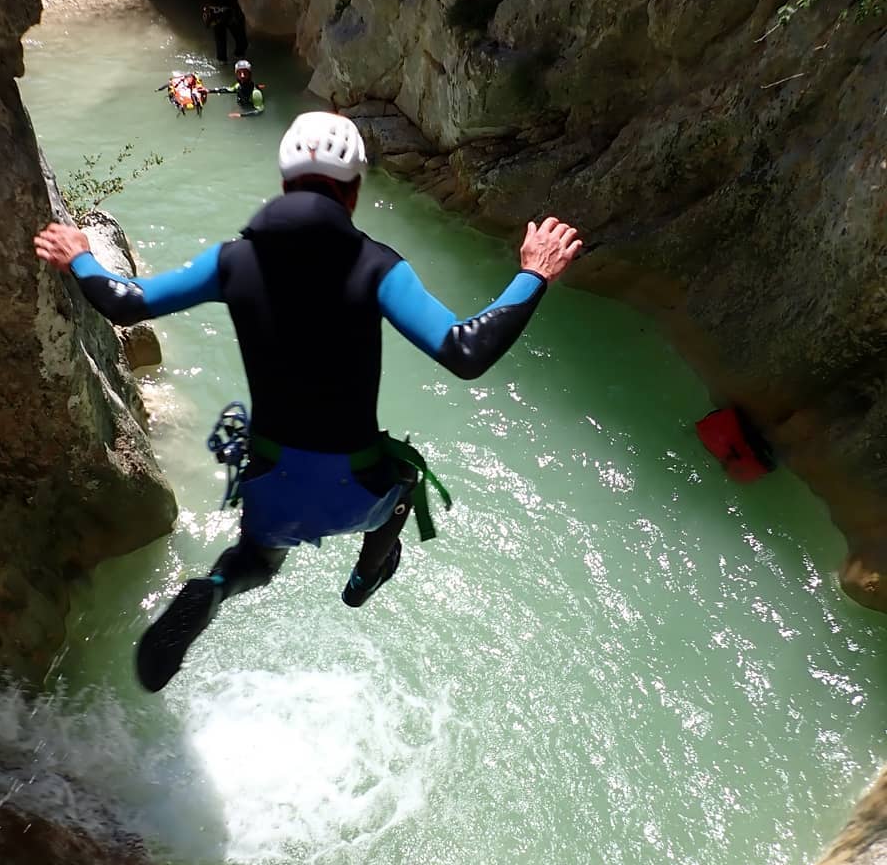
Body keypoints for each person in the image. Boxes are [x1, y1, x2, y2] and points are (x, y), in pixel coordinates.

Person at [33, 112, 581, 692]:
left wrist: (81, 254)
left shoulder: (233, 260)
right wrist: (532, 274)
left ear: (286, 184)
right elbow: (465, 350)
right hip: (357, 486)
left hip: (272, 478)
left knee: (256, 562)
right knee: (406, 481)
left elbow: (126, 303)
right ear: (353, 191)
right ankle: (365, 579)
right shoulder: (378, 267)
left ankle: (216, 587)